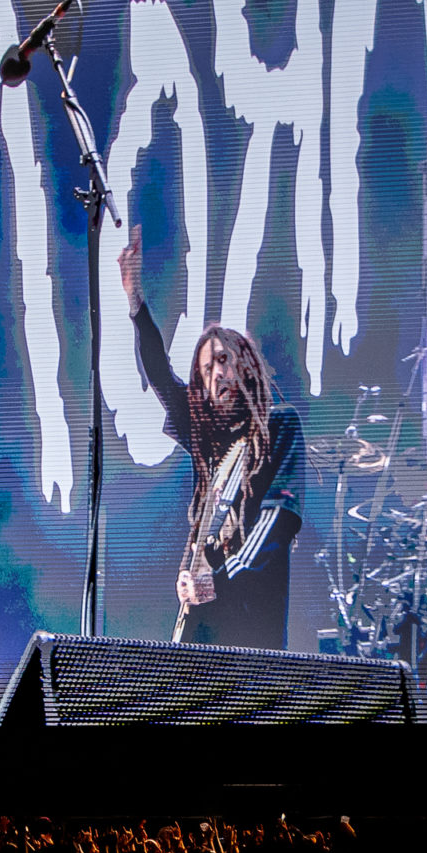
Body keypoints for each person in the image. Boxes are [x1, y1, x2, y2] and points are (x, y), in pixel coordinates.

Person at [119, 228, 305, 649]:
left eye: (224, 360)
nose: (217, 373)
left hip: (251, 619)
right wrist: (135, 301)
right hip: (201, 622)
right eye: (206, 369)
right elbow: (161, 376)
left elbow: (277, 520)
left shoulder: (278, 426)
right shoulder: (207, 441)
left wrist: (220, 579)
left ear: (245, 365)